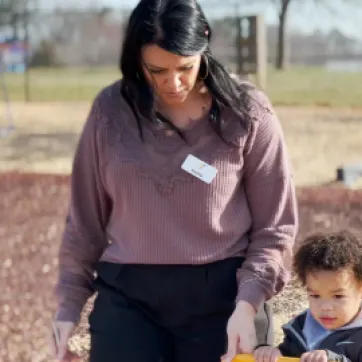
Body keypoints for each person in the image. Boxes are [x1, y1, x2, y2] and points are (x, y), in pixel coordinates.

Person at [49, 0, 298, 361]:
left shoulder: (248, 114)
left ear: (204, 44)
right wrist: (68, 306)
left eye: (185, 67)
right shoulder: (109, 112)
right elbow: (84, 222)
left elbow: (276, 229)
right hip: (129, 297)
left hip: (228, 297)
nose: (173, 82)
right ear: (136, 57)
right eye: (157, 70)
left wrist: (249, 303)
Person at [253, 230, 362, 362]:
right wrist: (272, 353)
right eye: (315, 296)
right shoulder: (301, 327)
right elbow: (288, 355)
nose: (325, 307)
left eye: (338, 296)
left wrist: (335, 360)